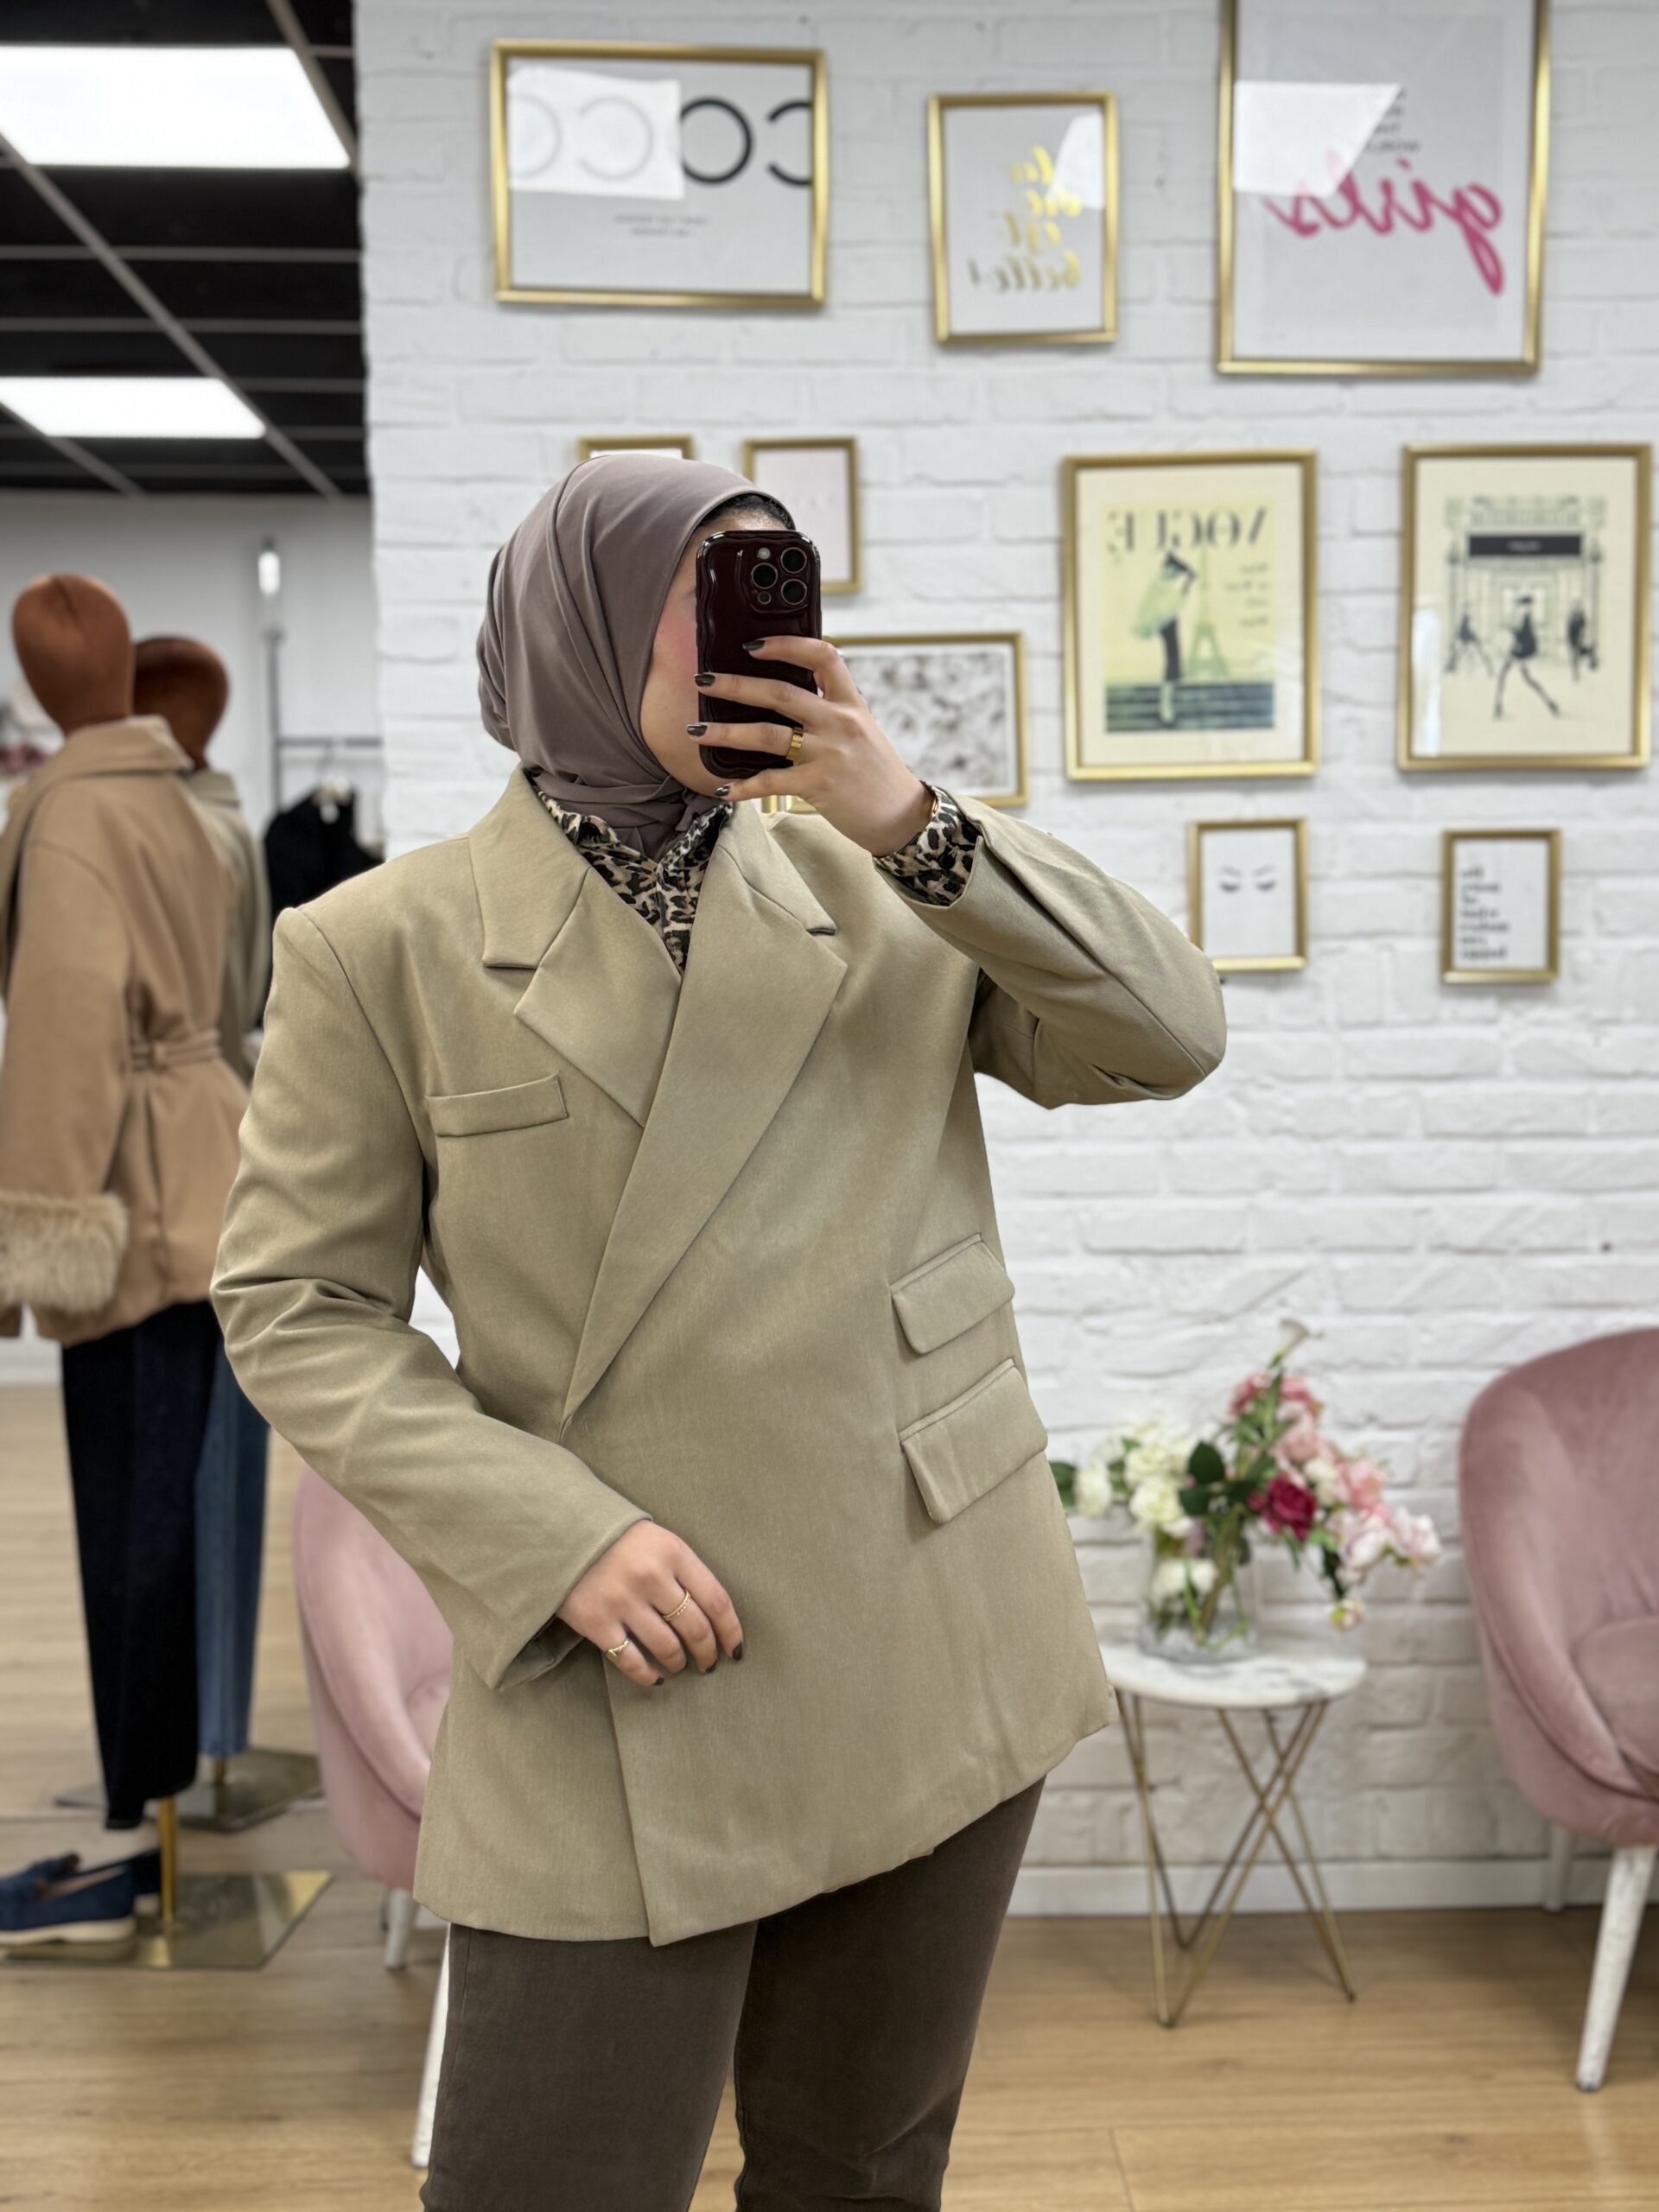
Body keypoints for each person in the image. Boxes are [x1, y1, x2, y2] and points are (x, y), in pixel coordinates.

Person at [213, 454, 1227, 2209]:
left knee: (861, 2173)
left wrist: (919, 821)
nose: (749, 631)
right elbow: (300, 1308)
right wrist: (555, 1535)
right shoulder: (381, 944)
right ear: (581, 626)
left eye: (776, 583)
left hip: (924, 1624)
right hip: (621, 1649)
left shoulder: (891, 880)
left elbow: (1169, 1034)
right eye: (703, 591)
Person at [1494, 593, 1560, 719]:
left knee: (1512, 677)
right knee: (1519, 678)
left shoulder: (1525, 618)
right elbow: (1521, 634)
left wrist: (1515, 640)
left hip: (1520, 652)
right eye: (1524, 606)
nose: (1525, 608)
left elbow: (1525, 637)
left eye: (1527, 606)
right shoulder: (1524, 617)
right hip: (1519, 651)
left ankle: (1498, 706)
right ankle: (1549, 703)